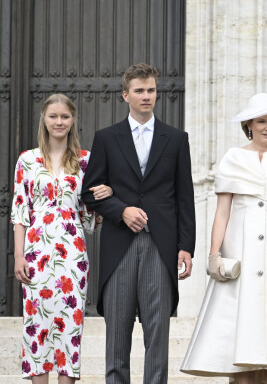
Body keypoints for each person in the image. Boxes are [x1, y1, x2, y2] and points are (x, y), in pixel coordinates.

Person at [180, 93, 267, 384]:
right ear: (249, 125)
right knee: (241, 335)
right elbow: (222, 213)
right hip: (240, 252)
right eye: (262, 121)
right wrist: (214, 255)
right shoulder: (233, 157)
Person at [80, 63, 196, 384]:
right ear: (125, 94)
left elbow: (185, 197)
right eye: (139, 91)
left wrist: (187, 247)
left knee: (157, 335)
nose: (146, 96)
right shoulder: (106, 138)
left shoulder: (175, 139)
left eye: (151, 90)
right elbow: (90, 193)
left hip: (161, 245)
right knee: (117, 335)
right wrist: (122, 210)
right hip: (120, 244)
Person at [11, 94, 112, 383]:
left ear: (72, 120)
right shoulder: (27, 160)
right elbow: (20, 212)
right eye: (53, 116)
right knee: (36, 324)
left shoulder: (86, 160)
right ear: (44, 119)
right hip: (35, 253)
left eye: (64, 117)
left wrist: (106, 194)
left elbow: (91, 212)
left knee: (70, 325)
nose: (59, 121)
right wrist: (19, 256)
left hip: (72, 255)